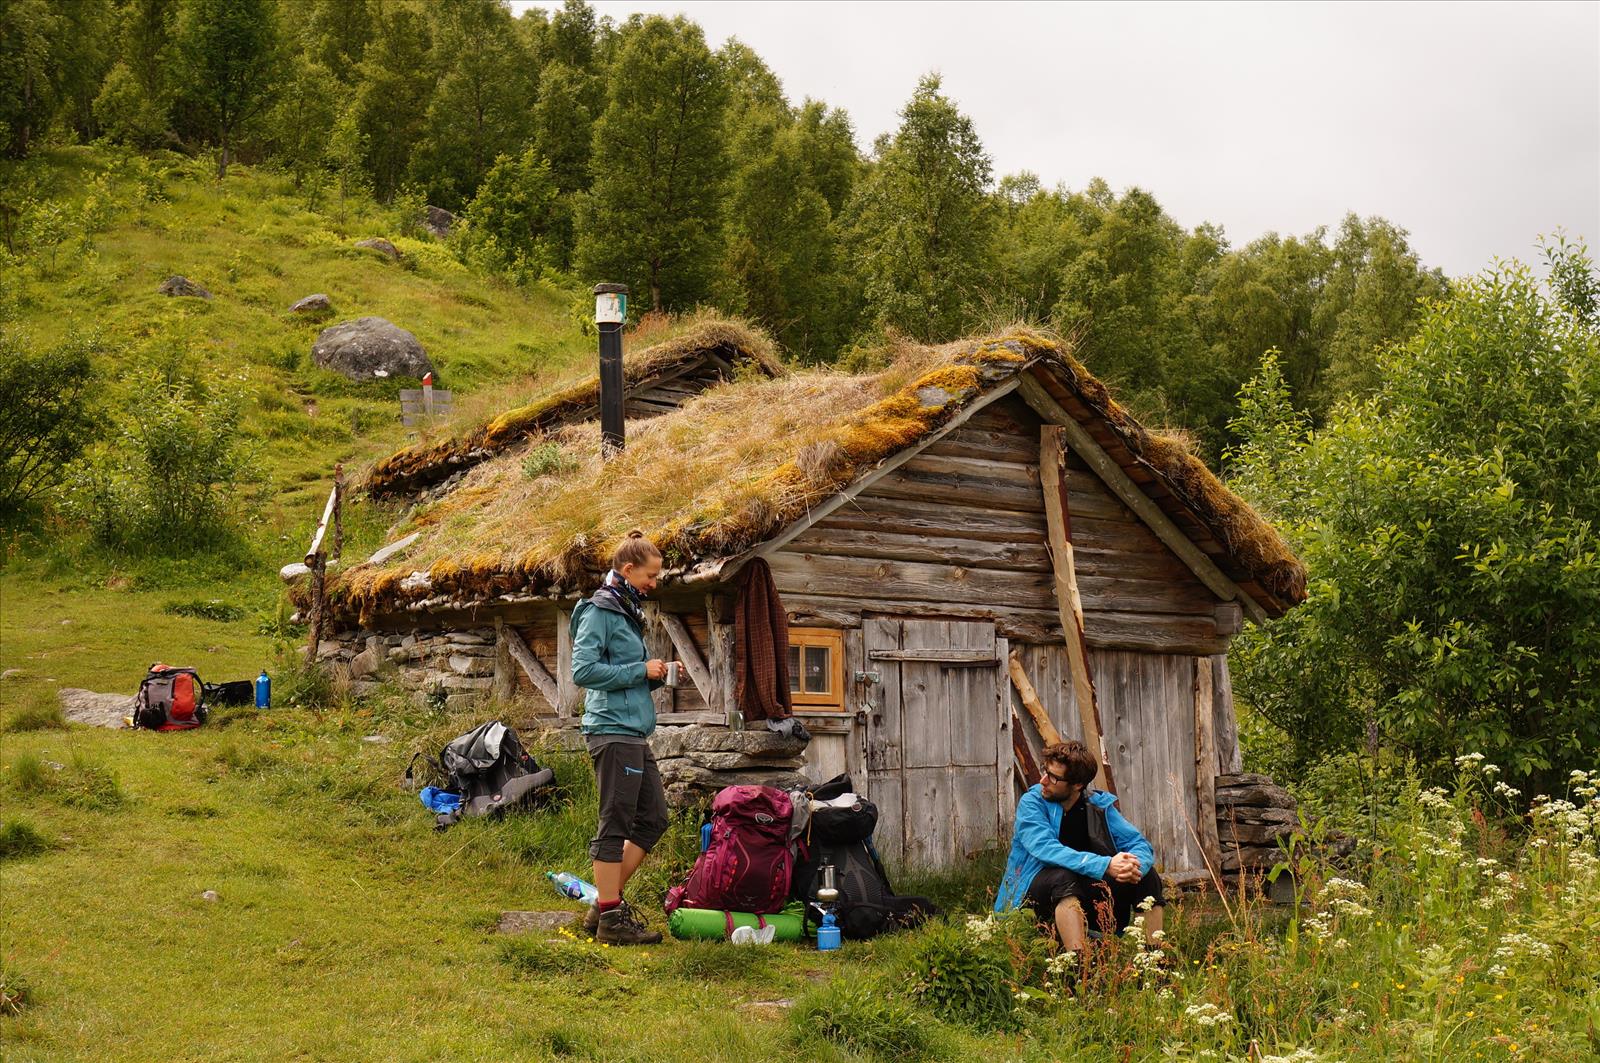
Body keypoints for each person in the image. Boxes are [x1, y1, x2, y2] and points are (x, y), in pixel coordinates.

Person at [570, 531, 680, 946]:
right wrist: (640, 671)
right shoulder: (601, 609)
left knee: (653, 818)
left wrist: (656, 675)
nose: (654, 583)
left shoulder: (625, 608)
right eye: (650, 576)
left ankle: (603, 906)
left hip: (631, 731)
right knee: (615, 822)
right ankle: (612, 922)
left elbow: (621, 675)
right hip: (611, 732)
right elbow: (583, 673)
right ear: (628, 569)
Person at [994, 740, 1165, 959]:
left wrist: (1130, 865)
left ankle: (1154, 963)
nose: (1043, 780)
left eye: (1054, 777)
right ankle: (1080, 968)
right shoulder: (1032, 803)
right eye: (1045, 771)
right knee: (1062, 877)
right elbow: (1045, 849)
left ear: (1077, 785)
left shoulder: (1096, 806)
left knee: (1146, 875)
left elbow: (1139, 844)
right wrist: (1105, 864)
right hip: (1033, 893)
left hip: (1082, 890)